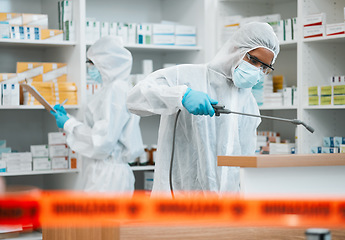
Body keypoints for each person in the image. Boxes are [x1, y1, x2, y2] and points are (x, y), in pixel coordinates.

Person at [126, 22, 279, 197]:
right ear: (237, 49)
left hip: (225, 207)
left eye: (264, 67)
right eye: (253, 60)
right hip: (178, 200)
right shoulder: (185, 76)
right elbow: (134, 99)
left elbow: (245, 159)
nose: (256, 70)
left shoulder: (248, 101)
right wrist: (180, 96)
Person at [51, 36, 144, 193]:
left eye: (92, 63)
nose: (90, 68)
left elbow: (103, 140)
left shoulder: (116, 90)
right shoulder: (111, 89)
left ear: (107, 64)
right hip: (106, 172)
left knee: (105, 218)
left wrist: (69, 124)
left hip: (108, 176)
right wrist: (68, 120)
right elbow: (101, 130)